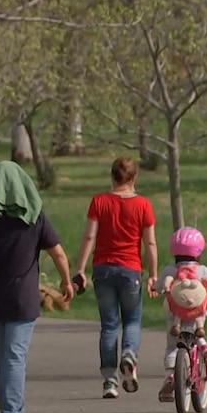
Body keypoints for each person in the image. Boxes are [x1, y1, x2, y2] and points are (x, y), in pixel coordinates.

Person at [0, 161, 74, 413]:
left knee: (2, 357)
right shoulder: (36, 219)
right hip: (23, 300)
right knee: (14, 357)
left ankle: (7, 411)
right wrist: (66, 281)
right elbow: (58, 253)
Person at [73, 156, 158, 400]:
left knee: (109, 325)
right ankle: (129, 355)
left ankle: (110, 381)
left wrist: (80, 268)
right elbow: (150, 242)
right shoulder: (143, 205)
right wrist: (152, 275)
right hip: (131, 270)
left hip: (102, 270)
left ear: (112, 176)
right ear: (134, 178)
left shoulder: (99, 202)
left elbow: (89, 237)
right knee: (132, 321)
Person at [152, 226, 207, 402]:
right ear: (199, 251)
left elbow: (158, 286)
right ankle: (202, 345)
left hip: (174, 316)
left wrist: (156, 288)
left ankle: (171, 376)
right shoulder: (203, 271)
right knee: (195, 330)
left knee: (172, 346)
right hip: (196, 315)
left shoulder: (170, 270)